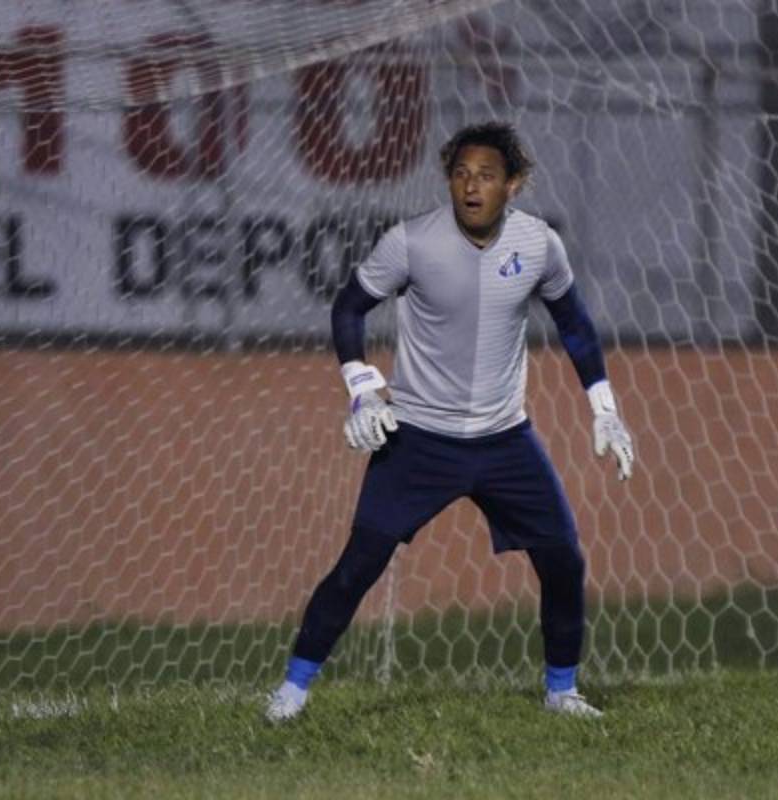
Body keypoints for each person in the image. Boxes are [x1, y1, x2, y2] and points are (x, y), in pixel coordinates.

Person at [265, 120, 634, 722]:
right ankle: (292, 691)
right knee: (359, 564)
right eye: (461, 174)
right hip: (417, 439)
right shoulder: (411, 243)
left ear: (513, 184)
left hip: (505, 440)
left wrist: (605, 409)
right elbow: (350, 306)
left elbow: (574, 323)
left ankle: (561, 691)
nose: (471, 186)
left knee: (564, 559)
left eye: (486, 176)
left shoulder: (539, 245)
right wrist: (361, 390)